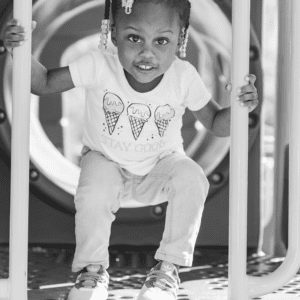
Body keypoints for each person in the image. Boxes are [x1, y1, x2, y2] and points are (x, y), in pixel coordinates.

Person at [3, 0, 258, 299]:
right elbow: (43, 83)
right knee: (95, 181)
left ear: (182, 39)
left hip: (159, 169)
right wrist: (19, 51)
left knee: (192, 176)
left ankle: (166, 272)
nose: (147, 53)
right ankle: (92, 273)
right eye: (134, 38)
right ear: (113, 34)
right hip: (107, 165)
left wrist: (240, 108)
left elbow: (216, 124)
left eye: (162, 40)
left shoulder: (183, 76)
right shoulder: (99, 65)